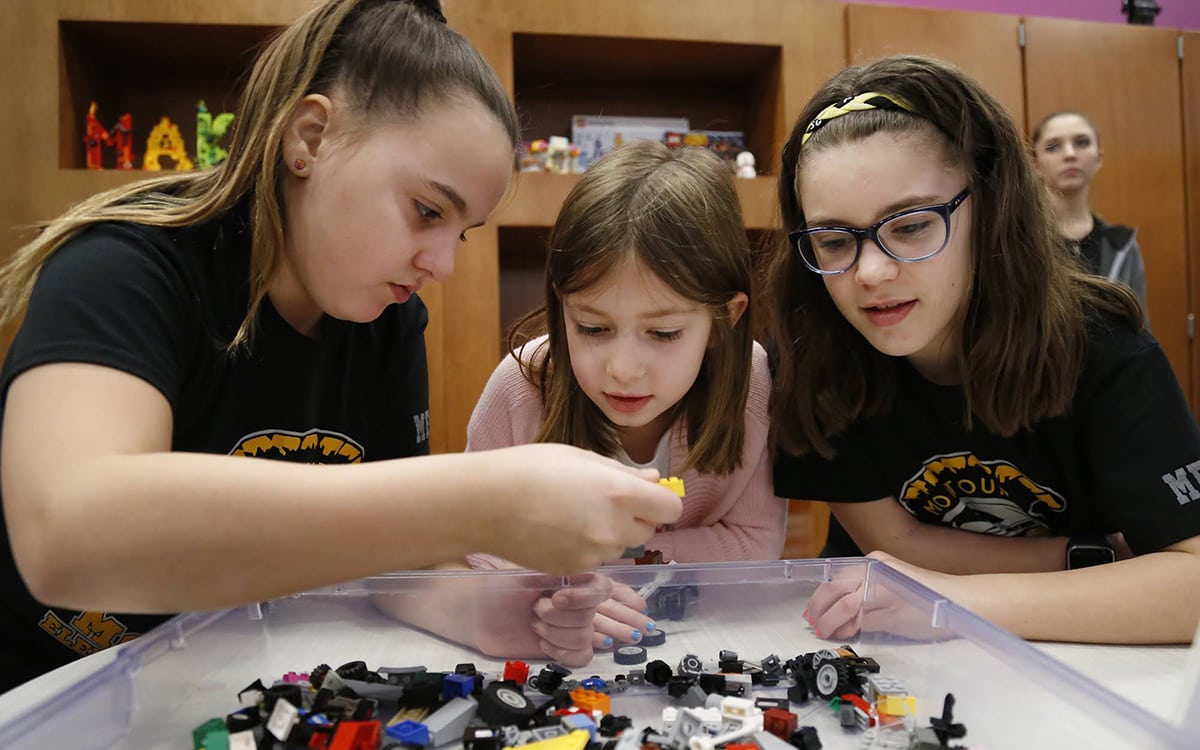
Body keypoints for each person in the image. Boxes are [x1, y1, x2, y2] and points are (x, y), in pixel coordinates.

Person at [0, 0, 681, 692]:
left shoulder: (388, 324)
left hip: (210, 692)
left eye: (463, 231)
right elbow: (68, 534)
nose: (442, 265)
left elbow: (381, 564)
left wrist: (493, 610)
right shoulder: (124, 267)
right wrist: (481, 500)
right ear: (311, 137)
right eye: (426, 211)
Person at [767, 55, 1200, 644]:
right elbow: (893, 545)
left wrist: (952, 602)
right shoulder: (815, 353)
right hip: (884, 655)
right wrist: (1096, 558)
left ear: (990, 205)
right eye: (836, 240)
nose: (870, 271)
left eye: (912, 225)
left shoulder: (1103, 346)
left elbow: (1189, 586)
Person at [459, 140, 784, 651]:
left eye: (664, 333)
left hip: (700, 639)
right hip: (558, 646)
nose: (623, 370)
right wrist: (566, 592)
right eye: (591, 327)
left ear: (725, 321)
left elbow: (755, 545)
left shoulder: (753, 383)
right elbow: (473, 545)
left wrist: (596, 568)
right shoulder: (520, 387)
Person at [1030, 111, 1149, 319]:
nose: (1069, 154)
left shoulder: (1123, 245)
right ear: (1036, 163)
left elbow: (1140, 329)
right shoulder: (1023, 241)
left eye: (1082, 143)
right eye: (1053, 146)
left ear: (1098, 158)